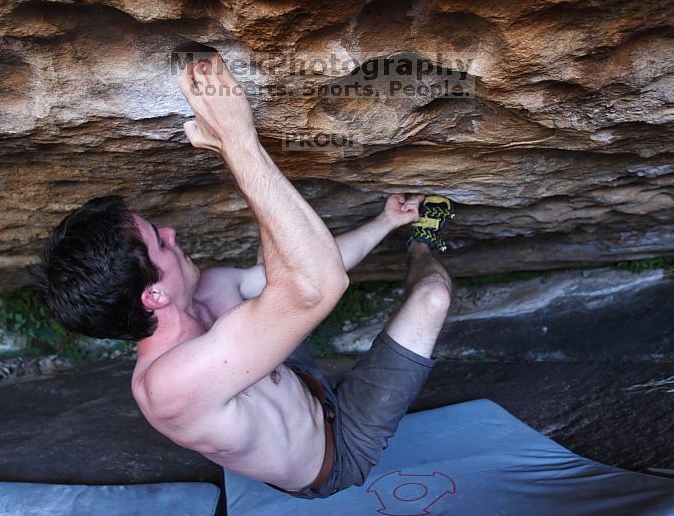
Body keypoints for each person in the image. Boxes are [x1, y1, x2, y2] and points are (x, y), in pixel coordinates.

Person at [32, 55, 454, 498]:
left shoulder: (205, 289)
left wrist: (386, 221)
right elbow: (318, 287)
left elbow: (304, 273)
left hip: (294, 376)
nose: (172, 233)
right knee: (433, 298)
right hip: (338, 449)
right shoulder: (168, 388)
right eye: (160, 240)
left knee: (280, 252)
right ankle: (423, 245)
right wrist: (238, 140)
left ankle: (401, 229)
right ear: (153, 294)